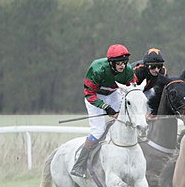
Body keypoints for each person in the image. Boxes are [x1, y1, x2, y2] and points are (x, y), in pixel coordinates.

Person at [70, 44, 136, 178]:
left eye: (124, 62)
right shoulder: (97, 68)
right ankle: (79, 165)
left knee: (128, 121)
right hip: (95, 96)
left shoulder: (128, 70)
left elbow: (132, 90)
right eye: (119, 63)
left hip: (114, 94)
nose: (122, 66)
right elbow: (89, 93)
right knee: (98, 130)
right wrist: (106, 107)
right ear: (111, 63)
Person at [133, 48, 168, 116]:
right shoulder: (138, 71)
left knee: (151, 103)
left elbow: (161, 92)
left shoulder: (162, 71)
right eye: (153, 66)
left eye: (159, 66)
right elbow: (132, 92)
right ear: (146, 66)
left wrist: (154, 112)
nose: (156, 70)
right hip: (130, 89)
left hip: (147, 89)